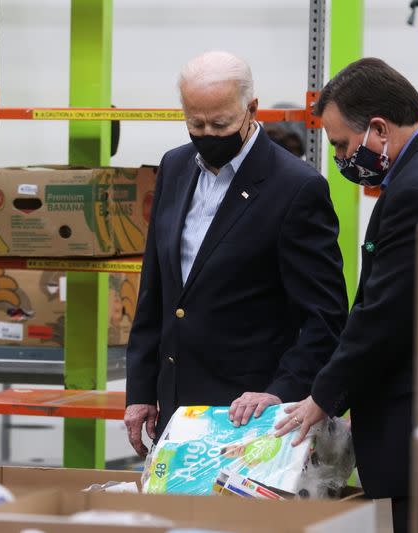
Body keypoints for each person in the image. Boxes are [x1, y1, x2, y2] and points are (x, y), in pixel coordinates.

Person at [275, 58, 418, 533]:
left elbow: (386, 312)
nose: (340, 159)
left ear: (378, 128)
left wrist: (324, 396)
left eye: (341, 144)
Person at [124, 51, 349, 457]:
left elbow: (324, 317)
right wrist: (140, 390)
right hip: (176, 408)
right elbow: (156, 288)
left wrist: (280, 392)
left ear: (251, 110)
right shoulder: (174, 167)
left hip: (248, 416)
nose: (208, 133)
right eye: (195, 123)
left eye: (221, 123)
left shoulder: (296, 188)